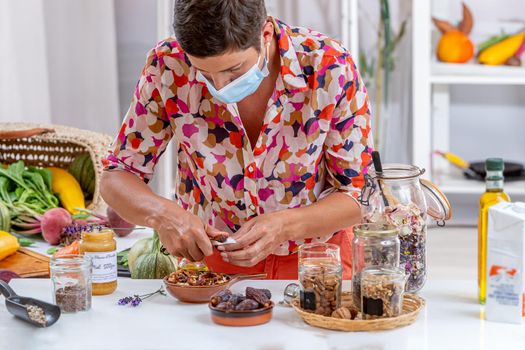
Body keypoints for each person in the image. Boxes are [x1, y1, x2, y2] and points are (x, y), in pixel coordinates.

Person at [100, 0, 373, 279]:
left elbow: (361, 195)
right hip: (211, 266)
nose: (220, 87)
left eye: (234, 70)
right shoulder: (168, 66)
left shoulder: (329, 66)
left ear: (265, 35)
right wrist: (163, 215)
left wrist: (286, 226)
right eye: (204, 74)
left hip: (319, 263)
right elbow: (117, 176)